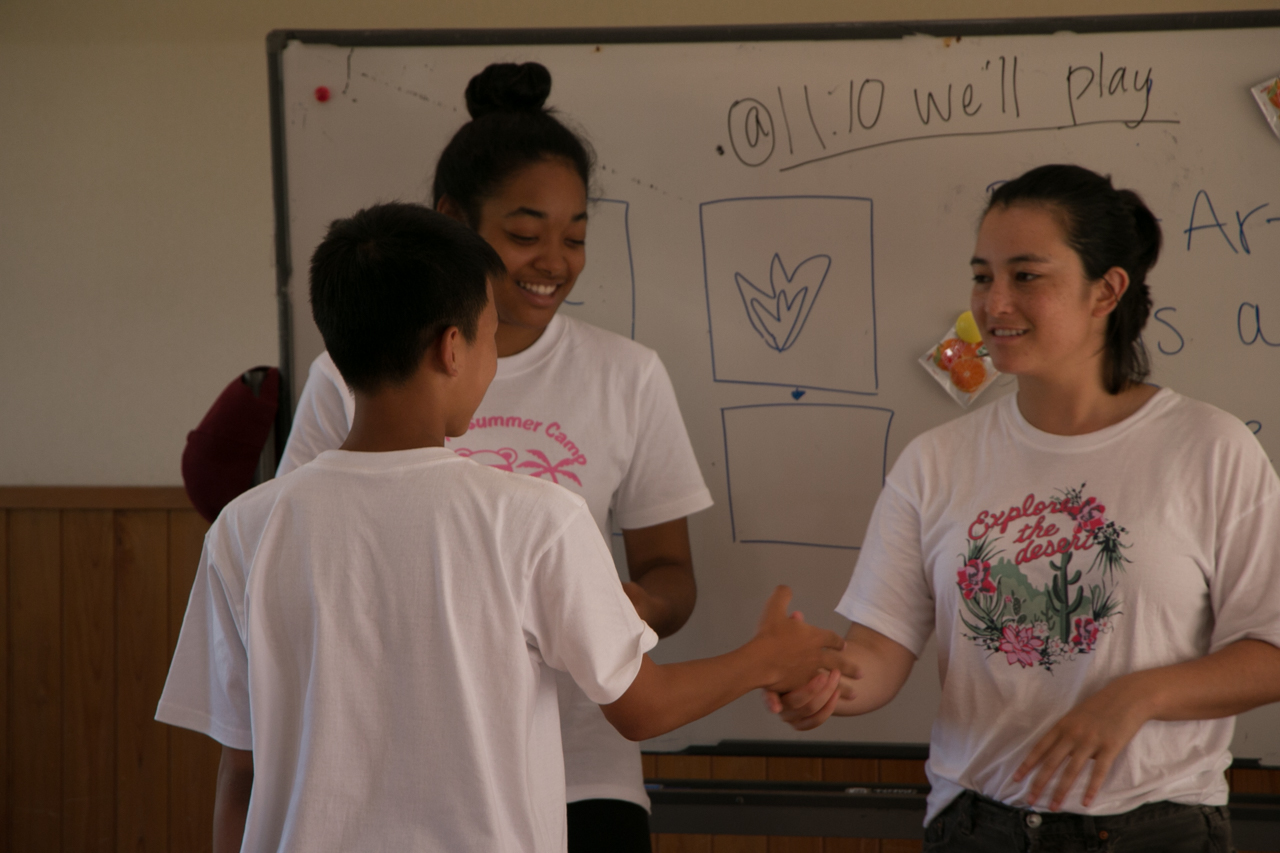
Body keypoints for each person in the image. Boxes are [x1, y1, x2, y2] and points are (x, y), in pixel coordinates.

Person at [156, 202, 844, 853]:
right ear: (452, 347)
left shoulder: (246, 529)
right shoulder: (535, 517)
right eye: (492, 334)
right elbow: (641, 707)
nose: (493, 357)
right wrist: (768, 657)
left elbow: (241, 771)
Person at [770, 164, 1280, 852]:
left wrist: (1135, 696)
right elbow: (879, 655)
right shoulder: (936, 459)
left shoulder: (1209, 446)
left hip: (1156, 828)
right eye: (983, 276)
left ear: (1107, 289)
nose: (994, 302)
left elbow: (1270, 650)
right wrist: (822, 683)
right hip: (978, 826)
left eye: (1025, 276)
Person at [277, 62, 712, 850]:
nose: (554, 260)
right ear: (451, 219)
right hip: (405, 768)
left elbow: (671, 577)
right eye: (523, 234)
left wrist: (632, 607)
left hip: (585, 770)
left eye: (575, 235)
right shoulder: (354, 375)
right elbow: (302, 546)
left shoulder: (626, 375)